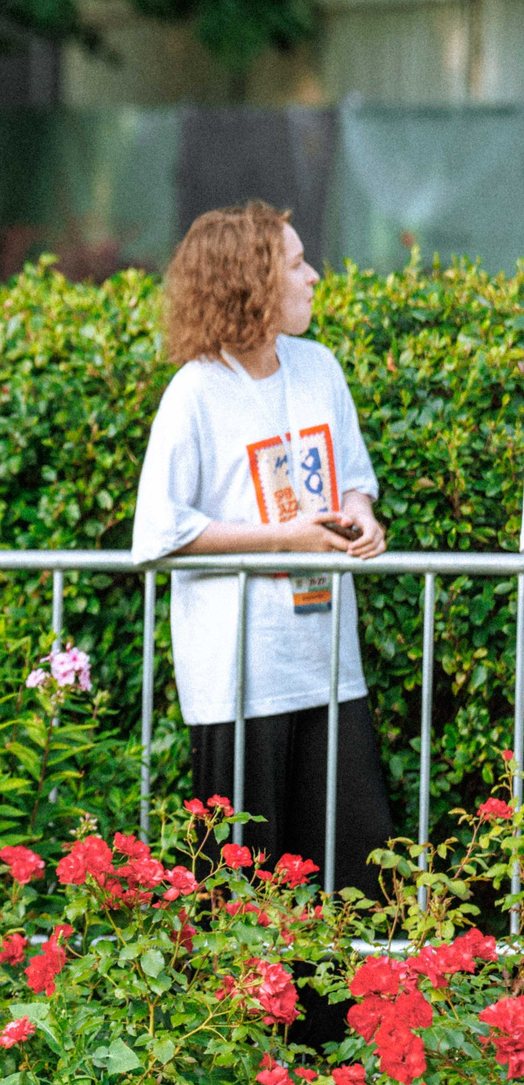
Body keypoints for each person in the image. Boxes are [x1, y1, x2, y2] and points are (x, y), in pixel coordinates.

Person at [132, 201, 393, 901]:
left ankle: (338, 1019)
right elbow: (157, 531)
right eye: (297, 263)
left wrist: (361, 519)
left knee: (353, 884)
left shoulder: (319, 368)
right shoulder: (195, 393)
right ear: (251, 280)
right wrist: (283, 537)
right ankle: (250, 1018)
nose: (314, 277)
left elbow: (357, 481)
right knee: (244, 894)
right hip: (240, 682)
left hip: (330, 670)